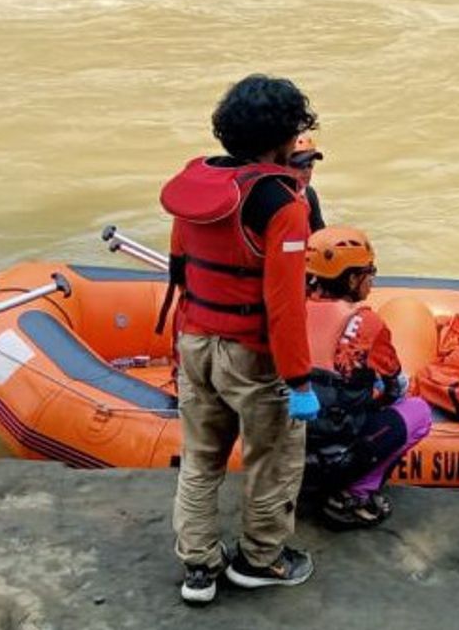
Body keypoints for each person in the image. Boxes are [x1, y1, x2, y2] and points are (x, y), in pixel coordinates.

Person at [161, 74, 320, 605]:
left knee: (201, 456)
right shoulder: (282, 202)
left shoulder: (195, 182)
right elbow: (285, 304)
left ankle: (199, 566)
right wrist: (298, 378)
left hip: (196, 338)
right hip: (252, 353)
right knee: (272, 456)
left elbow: (179, 264)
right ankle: (261, 559)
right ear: (283, 135)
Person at [302, 226, 432, 528]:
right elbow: (395, 387)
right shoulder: (366, 324)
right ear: (351, 279)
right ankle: (354, 495)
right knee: (419, 412)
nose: (372, 279)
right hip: (334, 456)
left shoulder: (287, 311)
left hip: (288, 450)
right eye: (369, 272)